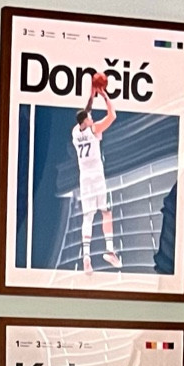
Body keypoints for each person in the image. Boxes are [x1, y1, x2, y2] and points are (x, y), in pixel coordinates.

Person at [72, 80, 121, 273]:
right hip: (97, 178)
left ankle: (86, 257)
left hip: (84, 179)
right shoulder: (95, 129)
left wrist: (92, 96)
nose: (92, 117)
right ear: (86, 121)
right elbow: (113, 115)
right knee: (106, 212)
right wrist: (105, 95)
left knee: (88, 217)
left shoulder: (75, 132)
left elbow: (84, 113)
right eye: (90, 117)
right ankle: (109, 250)